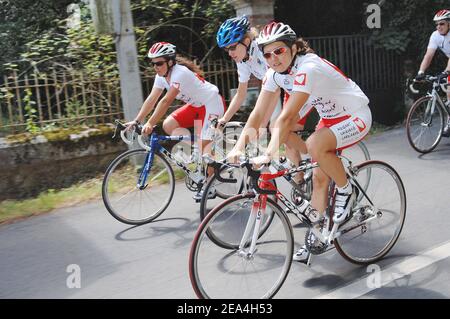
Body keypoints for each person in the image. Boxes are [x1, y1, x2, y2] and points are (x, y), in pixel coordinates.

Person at [227, 21, 372, 262]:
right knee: (318, 177)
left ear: (294, 48)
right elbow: (258, 114)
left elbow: (287, 117)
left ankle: (346, 189)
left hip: (356, 114)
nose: (273, 59)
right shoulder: (274, 75)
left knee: (315, 144)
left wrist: (270, 152)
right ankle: (318, 235)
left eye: (279, 51)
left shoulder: (308, 67)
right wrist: (237, 147)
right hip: (330, 119)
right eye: (268, 54)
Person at [126, 42, 226, 200]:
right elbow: (152, 98)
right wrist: (137, 120)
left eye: (159, 63)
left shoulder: (180, 73)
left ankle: (209, 185)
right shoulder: (161, 77)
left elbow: (165, 101)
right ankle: (197, 151)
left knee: (204, 146)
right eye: (153, 64)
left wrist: (150, 123)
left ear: (170, 61)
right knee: (168, 124)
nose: (155, 67)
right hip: (195, 106)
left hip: (211, 103)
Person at [217, 16, 307, 183]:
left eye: (232, 47)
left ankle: (315, 156)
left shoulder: (263, 51)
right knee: (275, 129)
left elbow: (273, 92)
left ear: (246, 40)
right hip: (286, 88)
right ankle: (299, 173)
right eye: (226, 50)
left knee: (277, 127)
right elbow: (241, 93)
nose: (230, 53)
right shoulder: (242, 59)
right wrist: (224, 119)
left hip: (302, 88)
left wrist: (262, 123)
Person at [416, 9, 450, 136]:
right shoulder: (435, 35)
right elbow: (429, 55)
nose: (439, 27)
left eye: (442, 24)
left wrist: (446, 71)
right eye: (437, 24)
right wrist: (421, 72)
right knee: (448, 89)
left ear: (449, 24)